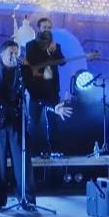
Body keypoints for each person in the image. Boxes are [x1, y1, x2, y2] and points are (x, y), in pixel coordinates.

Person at [0, 40, 69, 210]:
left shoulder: (24, 71)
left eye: (17, 53)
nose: (15, 56)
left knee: (22, 160)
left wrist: (53, 106)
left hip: (16, 120)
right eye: (11, 53)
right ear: (2, 55)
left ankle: (26, 199)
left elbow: (37, 94)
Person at [23, 18, 72, 156]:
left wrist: (53, 52)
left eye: (49, 27)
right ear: (39, 28)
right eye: (44, 27)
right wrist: (47, 53)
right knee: (34, 121)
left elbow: (62, 62)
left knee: (53, 121)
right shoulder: (31, 45)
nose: (47, 29)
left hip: (52, 90)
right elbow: (33, 63)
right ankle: (32, 150)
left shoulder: (55, 46)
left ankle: (54, 150)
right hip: (37, 90)